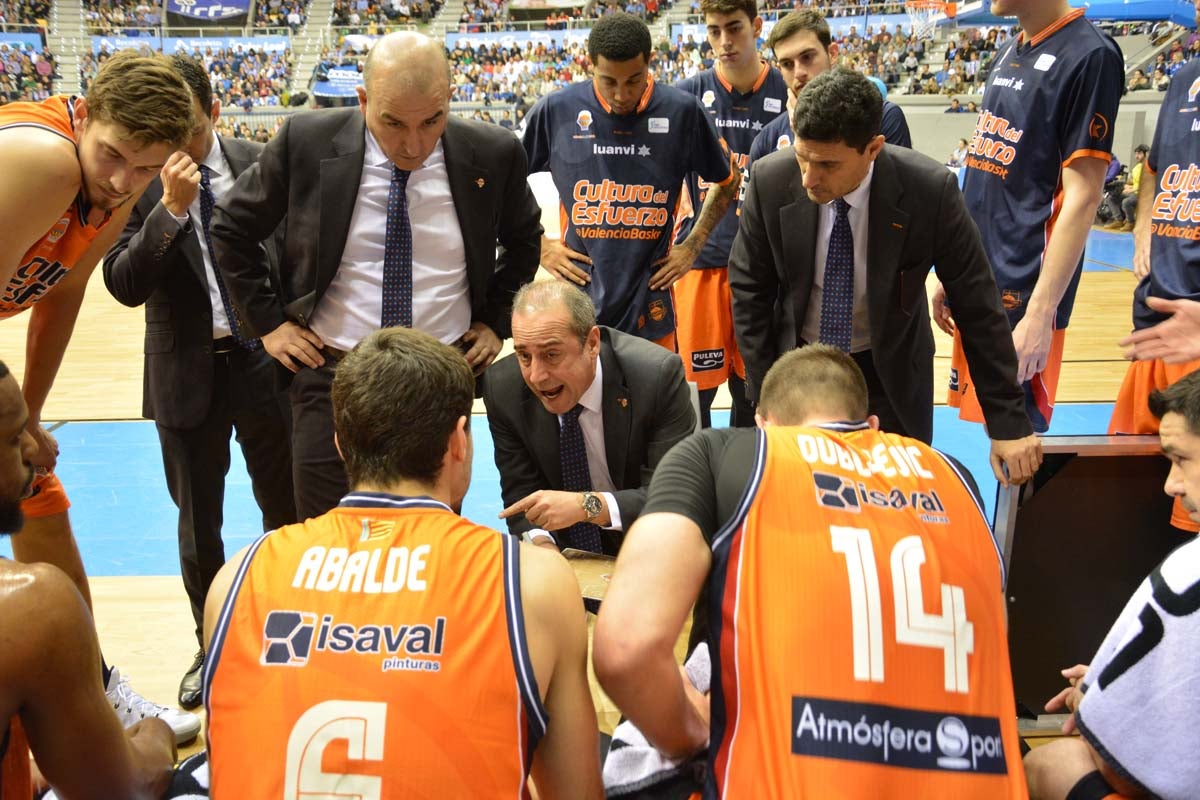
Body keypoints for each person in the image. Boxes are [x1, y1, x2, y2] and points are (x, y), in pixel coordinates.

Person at [594, 345, 1029, 798]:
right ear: (871, 426)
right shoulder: (955, 474)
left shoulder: (723, 451)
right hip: (965, 767)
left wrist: (691, 731)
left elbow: (627, 650)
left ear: (763, 424)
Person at [203, 327, 603, 799]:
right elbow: (577, 793)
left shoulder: (237, 577)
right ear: (459, 441)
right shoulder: (531, 579)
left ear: (339, 444)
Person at [210, 31, 542, 520]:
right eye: (393, 123)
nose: (413, 144)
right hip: (329, 374)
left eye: (432, 121)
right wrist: (268, 325)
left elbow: (525, 240)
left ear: (450, 97)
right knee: (327, 536)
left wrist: (496, 322)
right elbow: (231, 228)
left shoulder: (492, 152)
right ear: (363, 100)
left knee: (431, 540)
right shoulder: (305, 141)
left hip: (441, 375)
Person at [0, 48, 201, 743]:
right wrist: (13, 420)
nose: (124, 181)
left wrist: (26, 416)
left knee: (36, 493)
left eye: (147, 168)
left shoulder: (112, 186)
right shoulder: (45, 159)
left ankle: (89, 689)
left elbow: (64, 293)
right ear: (84, 114)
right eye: (113, 155)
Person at [729, 68, 1040, 484]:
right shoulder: (770, 179)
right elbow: (749, 289)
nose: (808, 178)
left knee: (894, 499)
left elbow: (978, 304)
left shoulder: (931, 191)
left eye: (826, 164)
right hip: (798, 366)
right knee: (799, 495)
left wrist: (1007, 421)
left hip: (889, 370)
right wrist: (768, 389)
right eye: (803, 158)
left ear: (873, 148)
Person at [103, 54, 297, 710]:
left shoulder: (260, 159)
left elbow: (300, 253)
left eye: (180, 123)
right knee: (198, 527)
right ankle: (211, 645)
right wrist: (169, 212)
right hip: (185, 371)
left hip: (266, 364)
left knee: (287, 512)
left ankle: (290, 632)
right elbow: (124, 285)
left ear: (212, 112)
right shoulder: (140, 176)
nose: (165, 137)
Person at [941, 0, 1123, 434]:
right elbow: (984, 175)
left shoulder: (1091, 54)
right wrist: (954, 267)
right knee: (993, 430)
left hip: (1025, 292)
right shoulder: (1009, 48)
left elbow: (1084, 195)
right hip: (980, 276)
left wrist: (1041, 313)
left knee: (1018, 436)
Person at [0, 361, 178, 800]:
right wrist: (157, 736)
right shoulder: (30, 604)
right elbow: (124, 788)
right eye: (10, 438)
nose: (32, 448)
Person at [1025, 370, 1200, 800]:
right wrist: (1133, 682)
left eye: (1181, 459)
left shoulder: (1189, 570)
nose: (1170, 485)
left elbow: (1132, 768)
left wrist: (1102, 703)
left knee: (1050, 764)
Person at [523, 12, 739, 348]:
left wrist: (692, 246)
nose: (622, 94)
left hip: (651, 305)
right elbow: (502, 183)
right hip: (578, 306)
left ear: (650, 63)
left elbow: (727, 181)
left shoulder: (682, 112)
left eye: (634, 80)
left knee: (653, 399)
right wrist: (539, 245)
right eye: (609, 81)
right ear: (589, 64)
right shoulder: (556, 111)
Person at [484, 281, 695, 555]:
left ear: (592, 343)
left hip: (649, 541)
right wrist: (545, 550)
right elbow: (521, 497)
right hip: (563, 552)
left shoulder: (656, 377)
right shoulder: (503, 388)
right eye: (524, 356)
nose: (536, 376)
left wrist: (587, 506)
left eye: (551, 354)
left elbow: (671, 497)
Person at [671, 0, 788, 429]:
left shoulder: (786, 90)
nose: (724, 41)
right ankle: (699, 485)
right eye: (714, 30)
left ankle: (745, 484)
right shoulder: (685, 96)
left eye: (734, 28)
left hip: (765, 271)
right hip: (700, 264)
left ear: (756, 26)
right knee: (694, 396)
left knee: (753, 390)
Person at [1109, 32, 1200, 532]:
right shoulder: (1184, 77)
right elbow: (1154, 167)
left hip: (1197, 334)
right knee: (1117, 501)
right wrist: (1143, 222)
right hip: (1156, 329)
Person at [747, 9, 912, 167]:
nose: (799, 73)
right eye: (787, 64)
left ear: (832, 53)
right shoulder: (766, 139)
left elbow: (890, 193)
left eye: (807, 57)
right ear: (779, 69)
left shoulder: (884, 118)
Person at [1103, 144, 1148, 233]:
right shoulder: (1136, 167)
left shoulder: (1148, 168)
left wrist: (1133, 189)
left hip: (1142, 194)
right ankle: (1118, 220)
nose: (1136, 156)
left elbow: (1147, 185)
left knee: (1126, 201)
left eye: (1139, 154)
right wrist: (1124, 182)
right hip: (1134, 191)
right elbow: (1134, 181)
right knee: (1111, 198)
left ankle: (1130, 222)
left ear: (1145, 154)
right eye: (1136, 154)